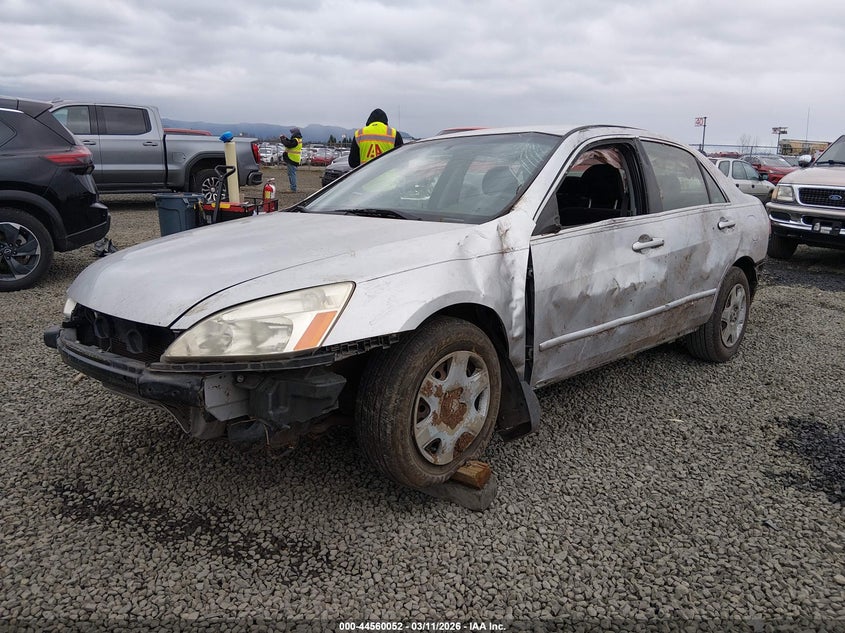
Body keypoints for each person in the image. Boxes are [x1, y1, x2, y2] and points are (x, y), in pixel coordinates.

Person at [279, 127, 303, 192]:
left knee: (292, 174)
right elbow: (290, 142)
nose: (291, 134)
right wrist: (285, 138)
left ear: (295, 133)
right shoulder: (297, 139)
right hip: (293, 159)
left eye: (292, 132)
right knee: (291, 174)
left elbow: (288, 144)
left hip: (292, 159)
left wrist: (282, 139)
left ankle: (293, 188)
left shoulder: (296, 140)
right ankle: (293, 188)